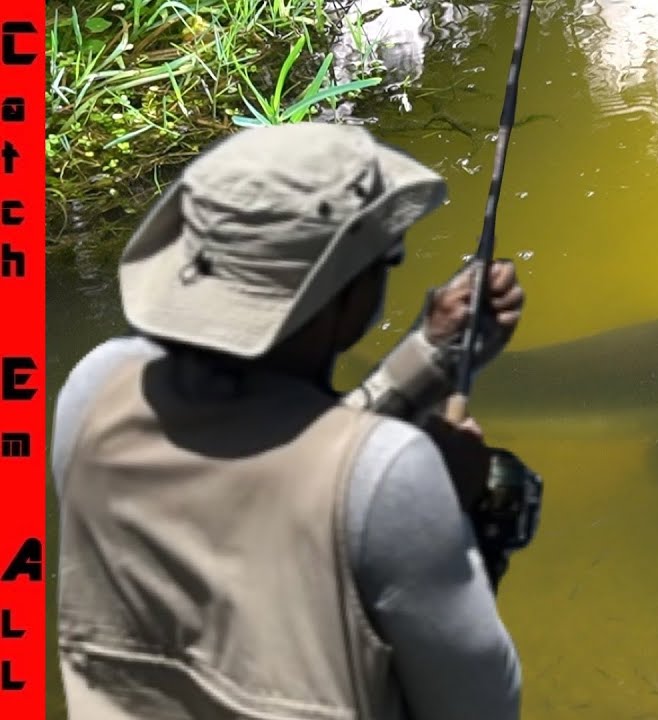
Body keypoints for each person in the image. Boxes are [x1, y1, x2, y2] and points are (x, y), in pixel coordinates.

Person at [51, 123, 528, 720]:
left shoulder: (97, 388)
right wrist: (472, 527)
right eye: (387, 260)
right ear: (346, 296)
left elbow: (259, 478)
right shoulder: (395, 477)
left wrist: (430, 356)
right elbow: (479, 707)